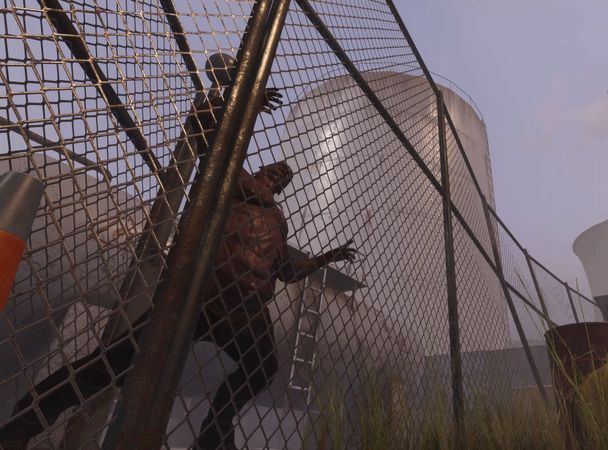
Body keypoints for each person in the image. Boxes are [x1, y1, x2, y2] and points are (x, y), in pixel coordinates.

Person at [0, 53, 357, 450]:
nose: (277, 177)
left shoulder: (276, 221)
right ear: (260, 171)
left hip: (245, 310)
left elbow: (288, 269)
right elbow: (211, 131)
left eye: (281, 178)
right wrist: (250, 105)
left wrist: (328, 257)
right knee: (113, 365)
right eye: (273, 170)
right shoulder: (230, 180)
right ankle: (22, 424)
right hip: (198, 295)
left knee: (261, 369)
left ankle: (214, 433)